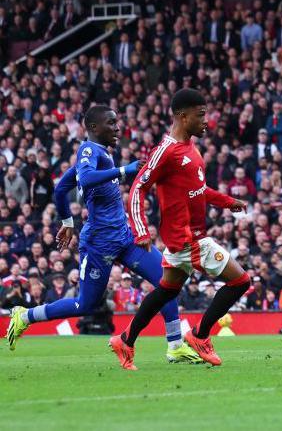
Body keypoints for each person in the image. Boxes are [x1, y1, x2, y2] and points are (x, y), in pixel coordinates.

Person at [5, 105, 201, 364]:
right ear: (94, 128)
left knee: (167, 281)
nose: (117, 127)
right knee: (84, 305)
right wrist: (124, 170)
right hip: (99, 243)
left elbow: (61, 189)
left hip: (124, 237)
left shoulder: (100, 155)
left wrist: (67, 222)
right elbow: (84, 180)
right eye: (111, 123)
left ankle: (175, 346)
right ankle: (25, 316)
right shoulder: (88, 150)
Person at [108, 88, 249, 370]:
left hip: (185, 238)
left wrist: (227, 201)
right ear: (183, 117)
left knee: (166, 291)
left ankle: (126, 339)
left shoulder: (191, 148)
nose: (206, 121)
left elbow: (198, 188)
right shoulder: (166, 151)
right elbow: (138, 187)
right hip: (188, 239)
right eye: (201, 115)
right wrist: (141, 229)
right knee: (240, 281)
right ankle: (199, 336)